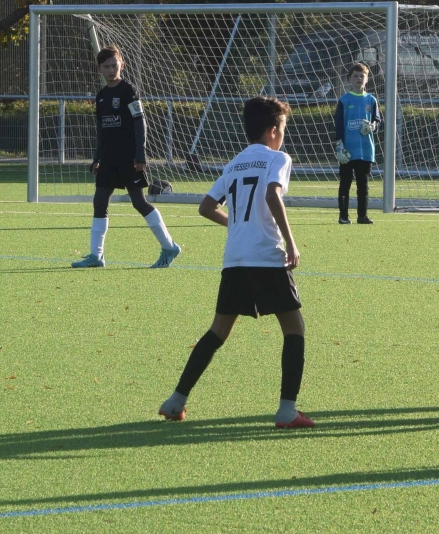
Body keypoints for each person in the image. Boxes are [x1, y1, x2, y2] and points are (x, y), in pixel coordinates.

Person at [158, 96, 314, 428]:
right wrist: (291, 242)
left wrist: (238, 226)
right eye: (283, 128)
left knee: (218, 331)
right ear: (273, 130)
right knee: (294, 328)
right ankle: (287, 411)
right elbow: (272, 194)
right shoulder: (278, 158)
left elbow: (205, 207)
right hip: (266, 255)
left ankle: (175, 401)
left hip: (235, 257)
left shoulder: (234, 164)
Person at [71, 46, 180, 269]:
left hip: (128, 158)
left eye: (115, 65)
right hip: (108, 159)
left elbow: (140, 123)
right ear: (99, 69)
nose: (111, 70)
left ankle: (169, 247)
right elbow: (101, 130)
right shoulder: (101, 96)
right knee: (99, 202)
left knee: (139, 202)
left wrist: (140, 155)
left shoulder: (128, 91)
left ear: (122, 65)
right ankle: (96, 256)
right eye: (107, 66)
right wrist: (97, 157)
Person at [332, 63, 380, 224]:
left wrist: (373, 126)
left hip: (365, 150)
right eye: (355, 76)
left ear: (367, 79)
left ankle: (362, 216)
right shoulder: (344, 100)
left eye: (362, 76)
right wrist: (339, 145)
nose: (359, 78)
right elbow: (339, 124)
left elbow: (377, 121)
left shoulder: (371, 100)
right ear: (349, 79)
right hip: (347, 149)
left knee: (363, 184)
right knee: (345, 183)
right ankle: (343, 216)